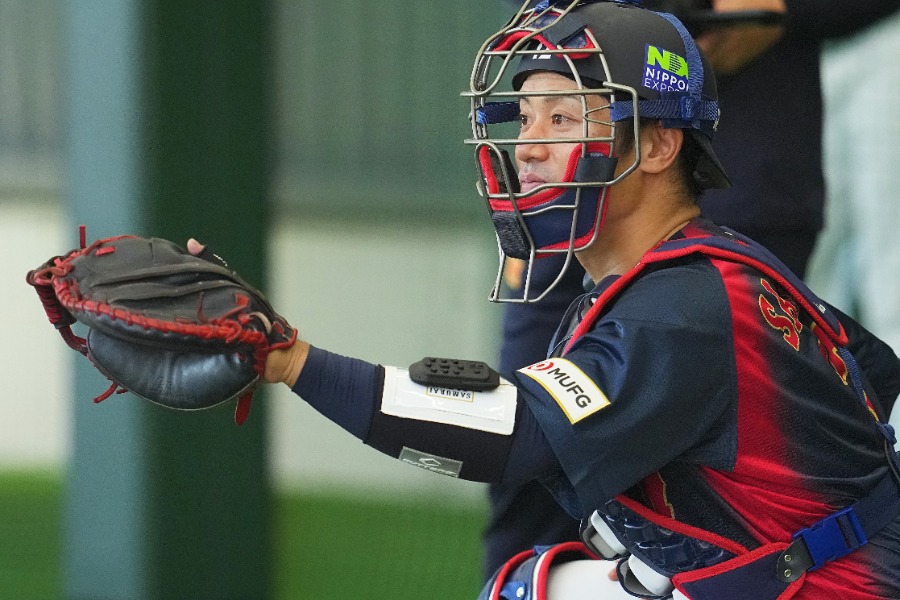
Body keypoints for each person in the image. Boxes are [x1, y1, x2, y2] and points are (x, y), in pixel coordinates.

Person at [247, 2, 900, 597]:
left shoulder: (679, 306)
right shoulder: (688, 270)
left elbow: (514, 439)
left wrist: (290, 361)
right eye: (525, 117)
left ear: (657, 145)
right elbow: (875, 373)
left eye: (561, 119)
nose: (528, 147)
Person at [482, 0, 900, 581]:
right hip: (585, 174)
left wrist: (777, 9)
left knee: (739, 482)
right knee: (532, 461)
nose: (521, 143)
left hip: (738, 169)